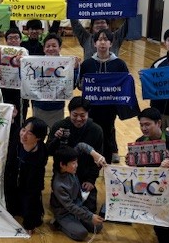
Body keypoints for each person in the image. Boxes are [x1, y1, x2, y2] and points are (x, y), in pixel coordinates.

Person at [78, 29, 131, 163]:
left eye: (106, 40)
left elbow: (125, 85)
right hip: (91, 107)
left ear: (111, 43)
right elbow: (79, 85)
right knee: (91, 130)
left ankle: (106, 159)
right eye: (99, 40)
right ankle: (91, 158)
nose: (102, 42)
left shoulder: (119, 64)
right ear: (94, 43)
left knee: (108, 131)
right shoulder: (87, 64)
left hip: (110, 107)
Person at [47, 97, 104, 213]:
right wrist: (56, 139)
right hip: (63, 176)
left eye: (82, 115)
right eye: (75, 115)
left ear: (88, 114)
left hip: (84, 177)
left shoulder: (96, 130)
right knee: (60, 209)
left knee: (89, 209)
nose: (78, 119)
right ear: (69, 113)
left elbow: (98, 159)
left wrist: (91, 180)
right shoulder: (59, 126)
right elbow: (48, 151)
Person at [51, 146, 106, 241]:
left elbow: (81, 146)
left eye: (76, 162)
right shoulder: (58, 185)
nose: (76, 165)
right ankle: (58, 223)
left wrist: (95, 155)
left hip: (79, 207)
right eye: (73, 163)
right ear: (62, 165)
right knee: (81, 234)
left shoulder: (68, 167)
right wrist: (90, 216)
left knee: (98, 226)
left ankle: (77, 221)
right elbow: (70, 206)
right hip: (64, 213)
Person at [31, 33, 80, 129]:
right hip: (39, 106)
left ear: (60, 48)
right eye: (48, 46)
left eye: (54, 46)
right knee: (38, 133)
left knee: (56, 134)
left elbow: (72, 85)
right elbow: (27, 81)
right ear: (44, 49)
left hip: (57, 108)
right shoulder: (36, 64)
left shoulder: (66, 65)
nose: (51, 48)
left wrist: (75, 69)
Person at [15, 117, 49, 233]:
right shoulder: (18, 140)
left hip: (31, 182)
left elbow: (32, 193)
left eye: (29, 133)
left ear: (38, 138)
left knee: (30, 200)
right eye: (23, 130)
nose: (23, 135)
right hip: (16, 178)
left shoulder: (40, 156)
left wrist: (29, 223)